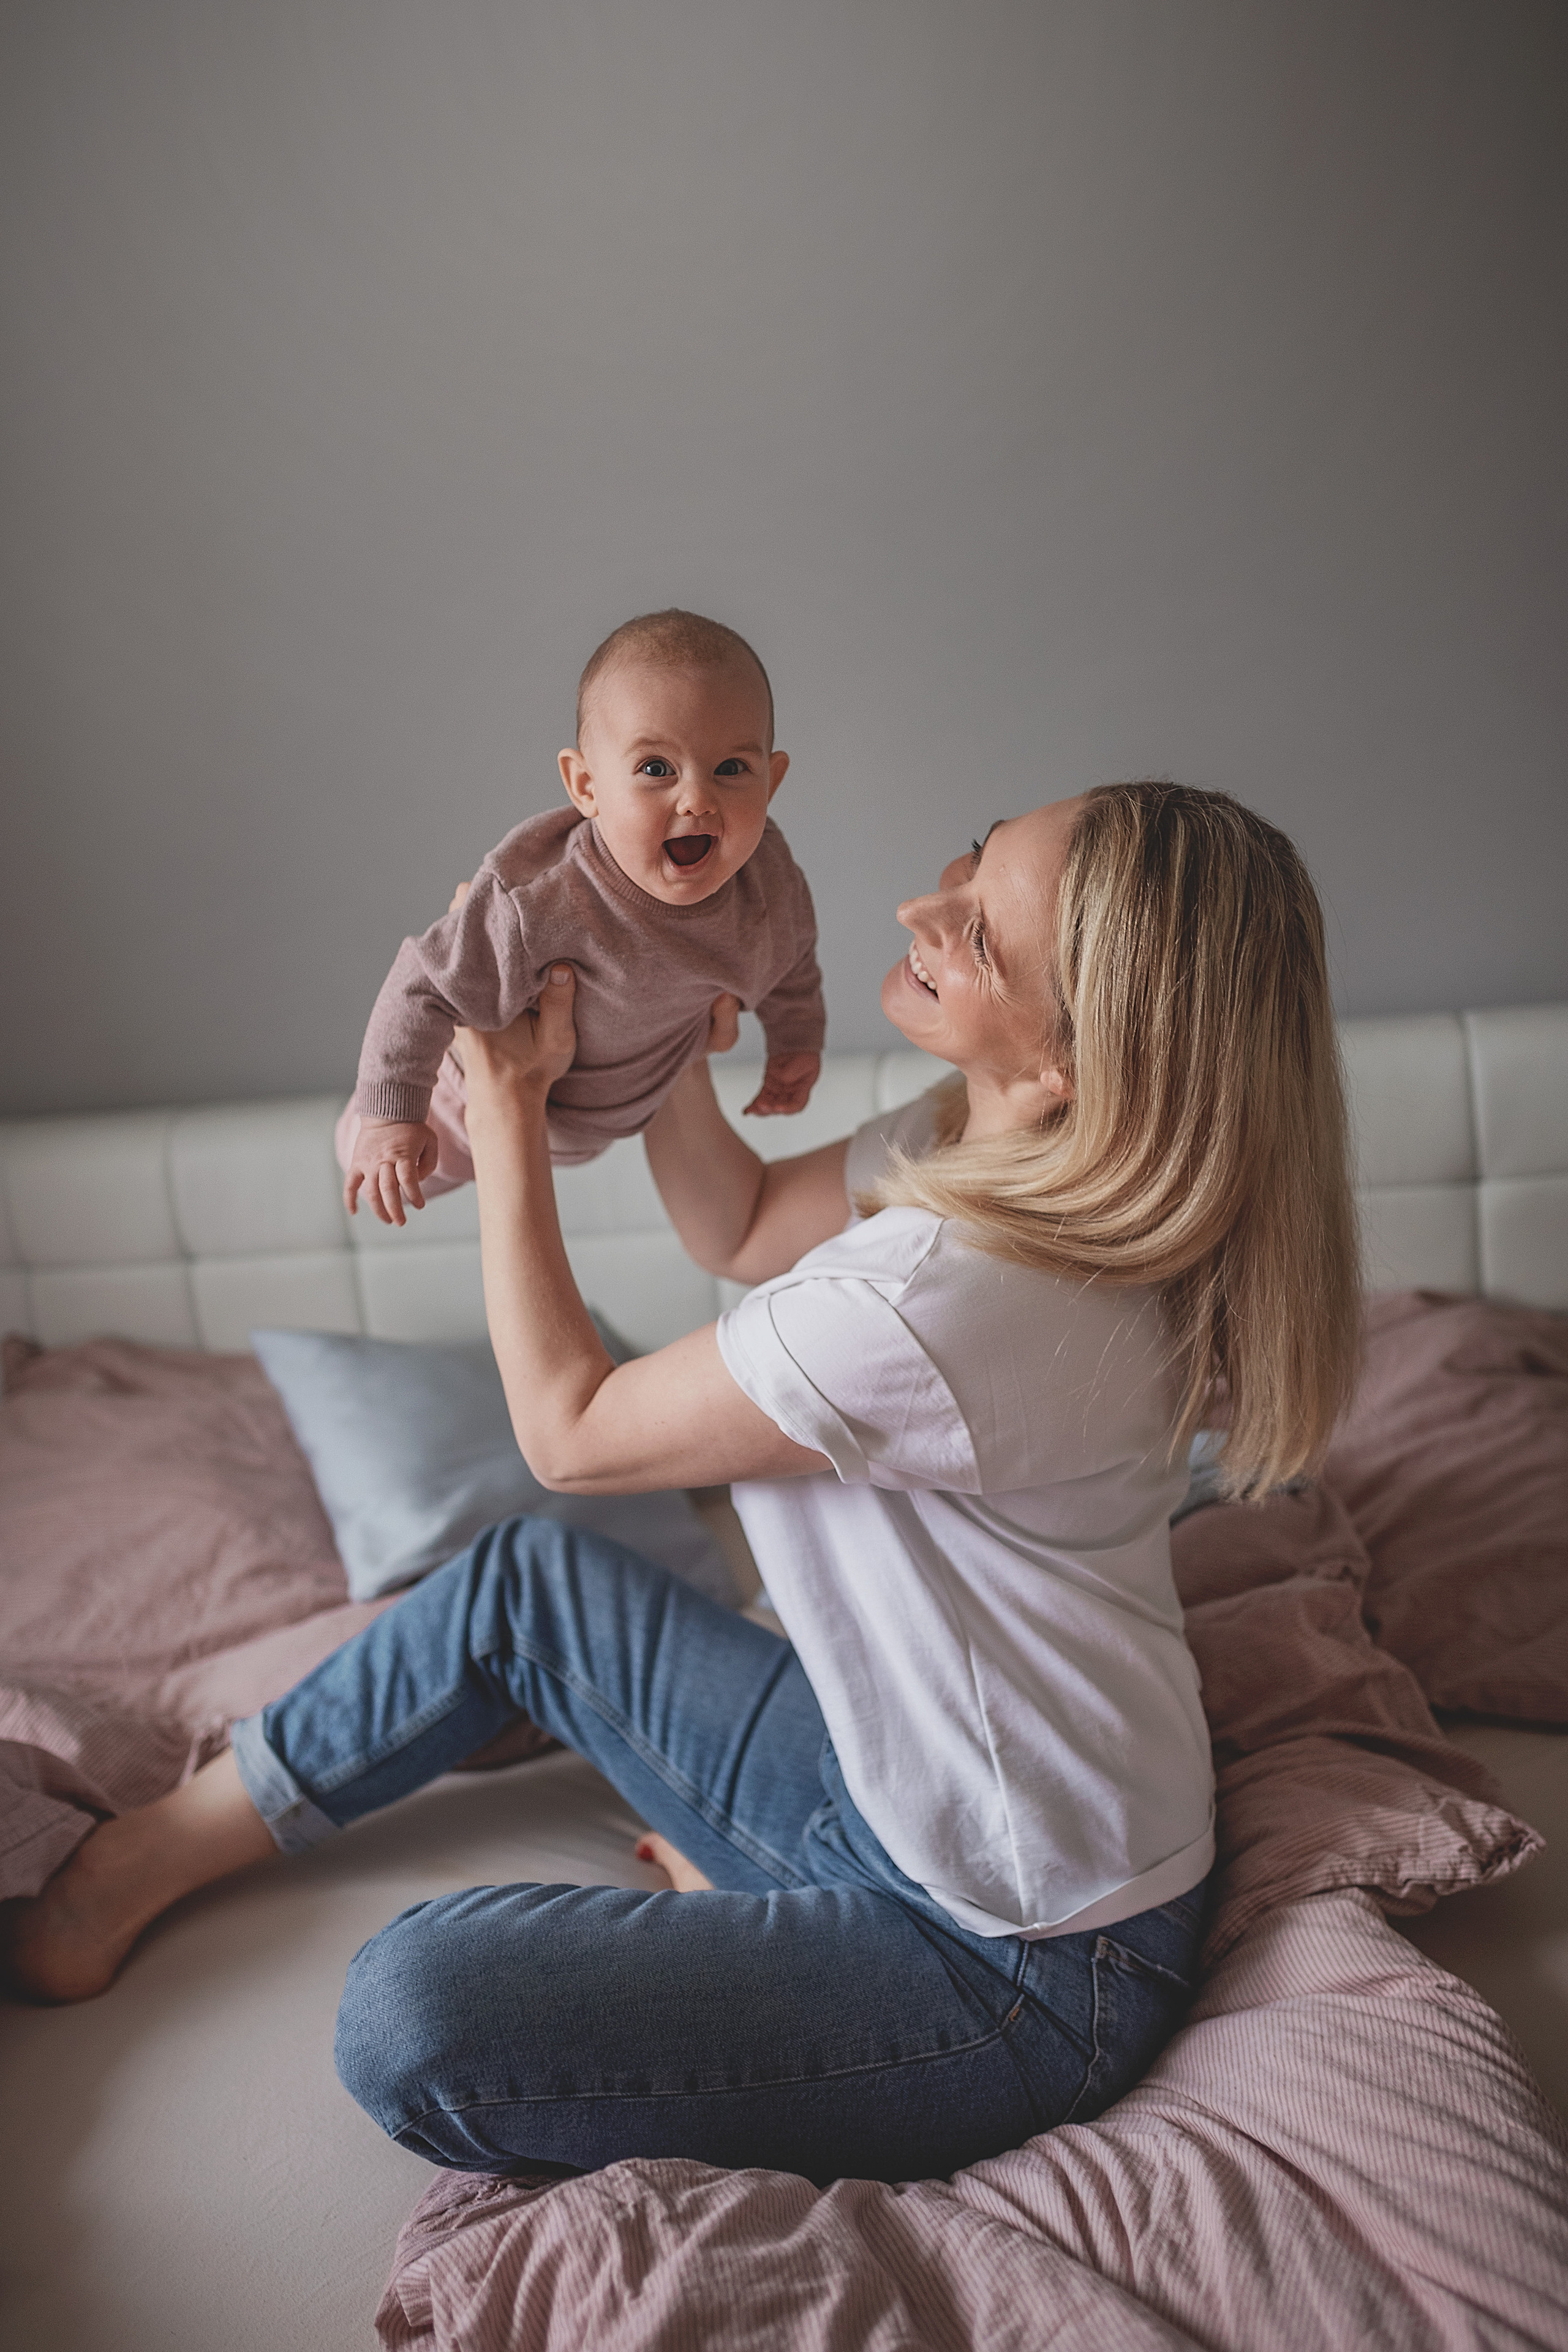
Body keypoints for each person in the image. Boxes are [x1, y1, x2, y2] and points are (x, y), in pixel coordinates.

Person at [2, 783, 1360, 2190]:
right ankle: (130, 1864)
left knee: (411, 2011)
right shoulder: (992, 1144)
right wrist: (664, 1016)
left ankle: (772, 1912)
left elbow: (571, 1431)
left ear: (1079, 1054)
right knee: (529, 1585)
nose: (917, 907)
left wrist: (511, 1104)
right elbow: (744, 1222)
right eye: (969, 851)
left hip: (1016, 1962)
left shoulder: (951, 1297)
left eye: (979, 932)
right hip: (909, 1788)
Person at [341, 608, 824, 1224]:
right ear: (586, 785)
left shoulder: (767, 886)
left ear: (773, 780)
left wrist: (796, 1041)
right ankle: (368, 1134)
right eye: (656, 769)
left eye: (732, 769)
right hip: (456, 1101)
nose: (698, 798)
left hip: (593, 1130)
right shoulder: (545, 900)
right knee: (377, 1169)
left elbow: (793, 961)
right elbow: (424, 985)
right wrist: (390, 1118)